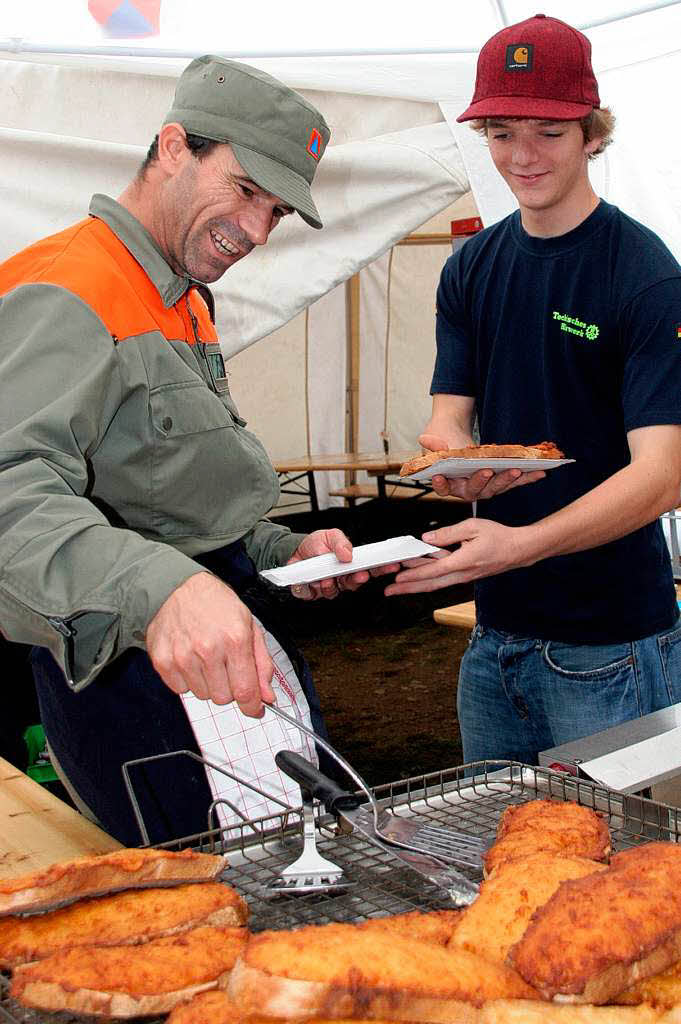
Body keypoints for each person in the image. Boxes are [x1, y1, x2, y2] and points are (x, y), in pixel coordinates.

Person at [0, 55, 394, 844]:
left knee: (296, 868)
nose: (254, 231)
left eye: (275, 211)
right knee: (200, 908)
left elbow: (179, 492)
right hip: (132, 687)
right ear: (174, 147)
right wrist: (165, 589)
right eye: (245, 190)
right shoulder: (65, 288)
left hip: (228, 659)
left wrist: (287, 550)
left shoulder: (185, 297)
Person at [385, 14, 681, 765]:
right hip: (496, 633)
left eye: (548, 133)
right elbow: (447, 419)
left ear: (590, 133)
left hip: (607, 641)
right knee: (512, 854)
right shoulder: (471, 266)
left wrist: (520, 546)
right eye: (501, 131)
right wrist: (455, 468)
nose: (521, 156)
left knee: (618, 872)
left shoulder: (643, 275)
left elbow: (664, 475)